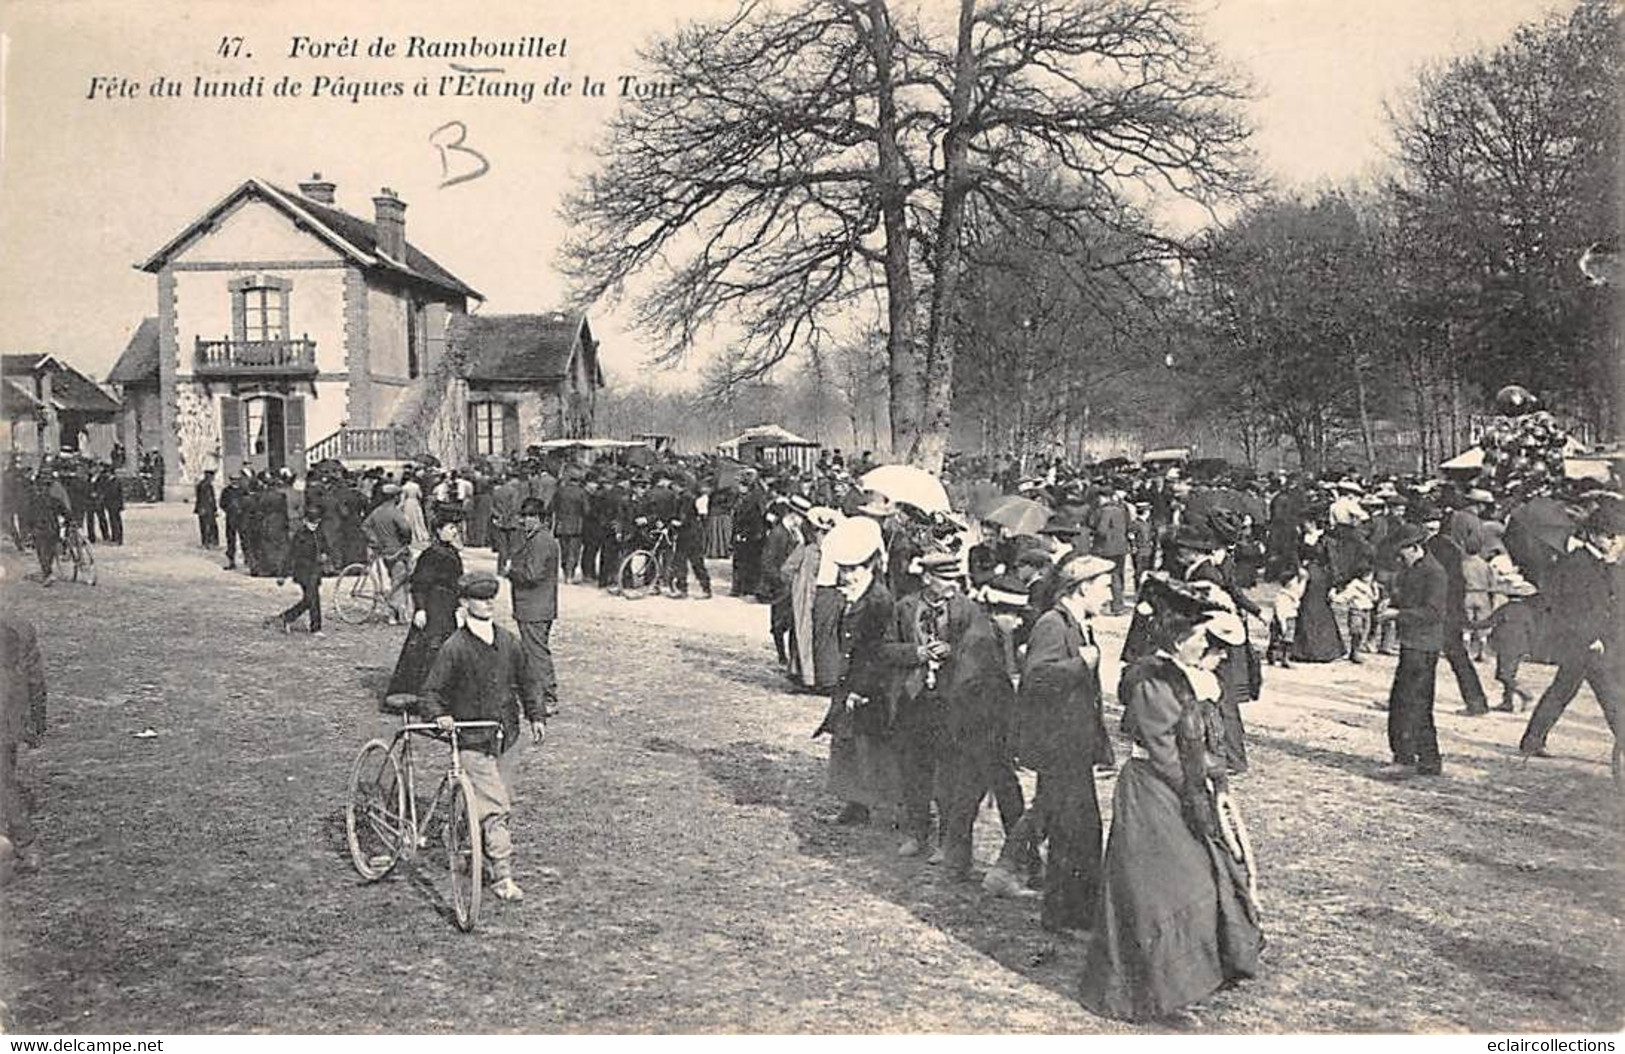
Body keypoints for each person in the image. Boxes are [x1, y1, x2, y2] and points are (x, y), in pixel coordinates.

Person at [1078, 583, 1263, 1024]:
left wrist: (1211, 780)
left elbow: (1204, 742)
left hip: (1183, 788)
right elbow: (1166, 752)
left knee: (1201, 872)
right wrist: (1202, 786)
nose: (1212, 648)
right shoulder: (1152, 681)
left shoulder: (1191, 679)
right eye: (1205, 639)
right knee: (1161, 889)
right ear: (1180, 639)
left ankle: (1192, 977)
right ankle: (1155, 993)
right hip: (1153, 793)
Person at [983, 555, 1113, 934]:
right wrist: (1081, 665)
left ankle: (1069, 908)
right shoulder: (1053, 625)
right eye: (1104, 587)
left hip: (1072, 746)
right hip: (1059, 748)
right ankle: (1064, 915)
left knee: (1077, 828)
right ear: (1083, 587)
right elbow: (1037, 679)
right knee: (1073, 832)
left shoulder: (1076, 624)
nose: (1109, 595)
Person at [419, 571, 549, 903]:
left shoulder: (508, 641)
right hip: (471, 739)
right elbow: (431, 693)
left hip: (506, 736)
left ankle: (461, 842)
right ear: (464, 603)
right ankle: (502, 875)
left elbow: (528, 680)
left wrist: (536, 715)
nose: (487, 603)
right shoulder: (455, 647)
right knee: (496, 807)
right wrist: (440, 716)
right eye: (480, 598)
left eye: (491, 597)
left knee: (490, 798)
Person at [813, 516, 905, 827]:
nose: (846, 575)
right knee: (847, 742)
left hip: (870, 686)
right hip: (851, 680)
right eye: (843, 569)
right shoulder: (856, 596)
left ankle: (890, 808)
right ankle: (855, 804)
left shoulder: (878, 601)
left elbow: (877, 653)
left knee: (873, 747)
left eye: (853, 569)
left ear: (870, 567)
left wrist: (860, 689)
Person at [1517, 500, 1623, 759]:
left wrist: (1611, 565)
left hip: (1594, 641)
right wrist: (1591, 638)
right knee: (1609, 694)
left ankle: (1532, 739)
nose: (1615, 542)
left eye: (1618, 537)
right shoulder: (1576, 564)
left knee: (1562, 690)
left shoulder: (1604, 564)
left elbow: (1611, 598)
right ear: (1593, 535)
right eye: (1610, 537)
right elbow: (1571, 608)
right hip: (1584, 641)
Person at [1376, 524, 1447, 778]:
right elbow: (1407, 597)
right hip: (1414, 643)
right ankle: (1429, 760)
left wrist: (1397, 614)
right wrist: (1391, 600)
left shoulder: (1434, 572)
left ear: (1416, 548)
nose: (1399, 557)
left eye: (1402, 551)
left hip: (1423, 645)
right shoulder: (1413, 569)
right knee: (1419, 703)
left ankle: (1404, 759)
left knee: (1405, 702)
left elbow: (1433, 612)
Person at [387, 507, 466, 697]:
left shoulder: (451, 551)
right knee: (428, 650)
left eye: (455, 527)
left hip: (447, 606)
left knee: (446, 648)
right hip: (433, 607)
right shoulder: (431, 554)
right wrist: (420, 609)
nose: (454, 531)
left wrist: (460, 604)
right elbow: (419, 584)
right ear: (438, 530)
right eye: (449, 527)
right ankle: (421, 693)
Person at [1, 595, 48, 877]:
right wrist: (38, 722)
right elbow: (36, 680)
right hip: (11, 717)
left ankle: (25, 845)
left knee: (3, 782)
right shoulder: (21, 626)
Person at [505, 497, 562, 718]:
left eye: (530, 517)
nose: (525, 521)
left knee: (536, 654)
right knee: (533, 652)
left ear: (540, 519)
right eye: (524, 516)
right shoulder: (538, 538)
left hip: (535, 607)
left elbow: (532, 574)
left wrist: (511, 571)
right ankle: (539, 696)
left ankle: (548, 698)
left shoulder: (541, 541)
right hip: (536, 606)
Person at [271, 504, 328, 635]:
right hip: (303, 571)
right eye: (312, 522)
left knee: (311, 599)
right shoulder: (300, 535)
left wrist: (325, 554)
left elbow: (325, 547)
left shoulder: (320, 533)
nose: (315, 525)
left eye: (317, 522)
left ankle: (288, 618)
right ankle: (314, 627)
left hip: (315, 570)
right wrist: (282, 575)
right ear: (305, 521)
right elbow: (290, 555)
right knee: (312, 598)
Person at [362, 484, 414, 624]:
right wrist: (406, 540)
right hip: (397, 550)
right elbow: (406, 529)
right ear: (395, 497)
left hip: (382, 551)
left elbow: (365, 526)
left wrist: (375, 540)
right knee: (399, 581)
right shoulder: (395, 512)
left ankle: (394, 612)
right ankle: (395, 613)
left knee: (394, 580)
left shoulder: (376, 512)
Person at [553, 470, 588, 584]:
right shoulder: (581, 493)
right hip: (576, 525)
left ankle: (565, 572)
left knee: (564, 550)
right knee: (574, 551)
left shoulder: (560, 492)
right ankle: (570, 574)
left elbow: (551, 507)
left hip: (561, 525)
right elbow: (586, 510)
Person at [194, 469, 220, 548]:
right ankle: (207, 542)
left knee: (211, 526)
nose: (213, 478)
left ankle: (211, 542)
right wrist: (201, 508)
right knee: (206, 526)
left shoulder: (208, 485)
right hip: (205, 509)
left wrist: (215, 509)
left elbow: (212, 499)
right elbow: (201, 498)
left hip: (209, 509)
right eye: (212, 477)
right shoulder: (203, 486)